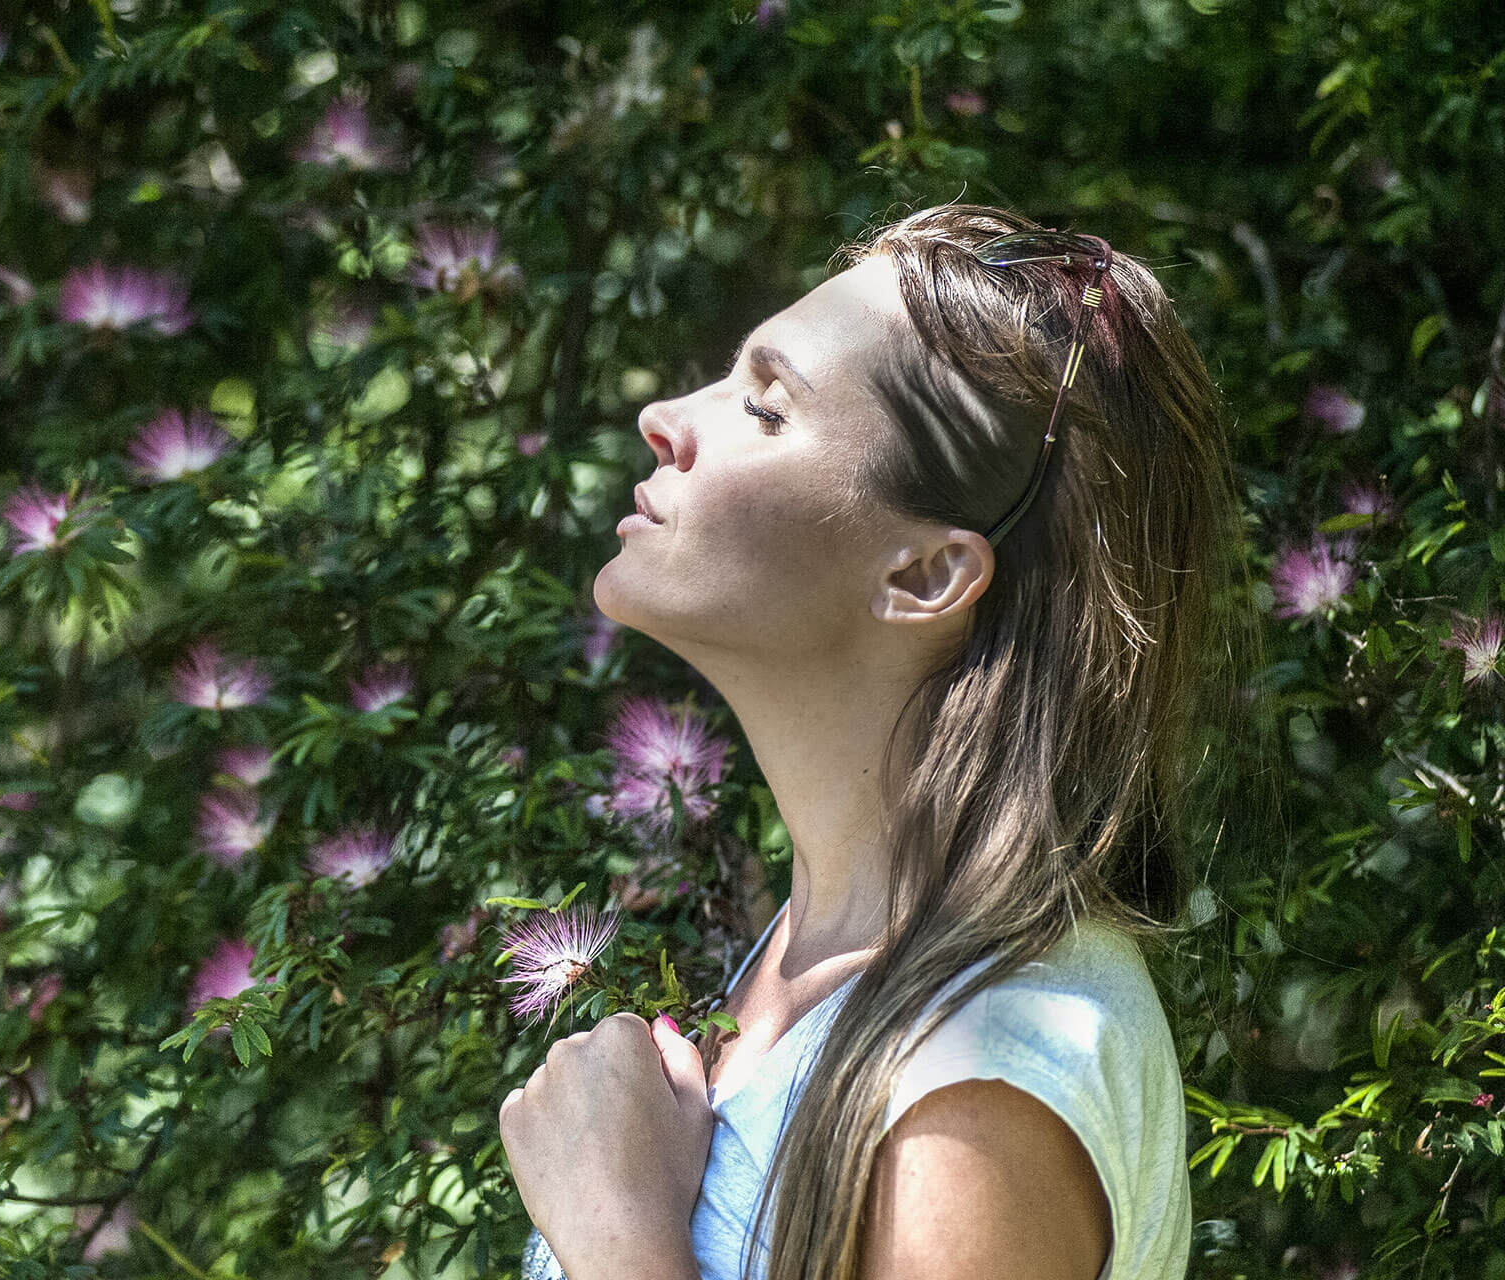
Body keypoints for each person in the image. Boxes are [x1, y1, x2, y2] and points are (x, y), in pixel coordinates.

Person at [504, 202, 1258, 1280]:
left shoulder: (980, 1085)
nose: (667, 416)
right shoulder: (818, 962)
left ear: (924, 575)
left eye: (767, 407)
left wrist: (616, 1234)